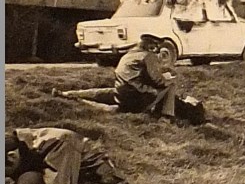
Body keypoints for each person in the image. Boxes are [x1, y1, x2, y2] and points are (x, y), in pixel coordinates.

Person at [53, 34, 205, 125]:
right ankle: (166, 117)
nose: (157, 50)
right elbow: (158, 81)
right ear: (150, 46)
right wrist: (168, 78)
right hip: (137, 100)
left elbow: (137, 75)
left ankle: (68, 94)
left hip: (122, 94)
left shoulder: (128, 55)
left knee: (101, 93)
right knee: (170, 86)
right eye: (156, 47)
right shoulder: (148, 56)